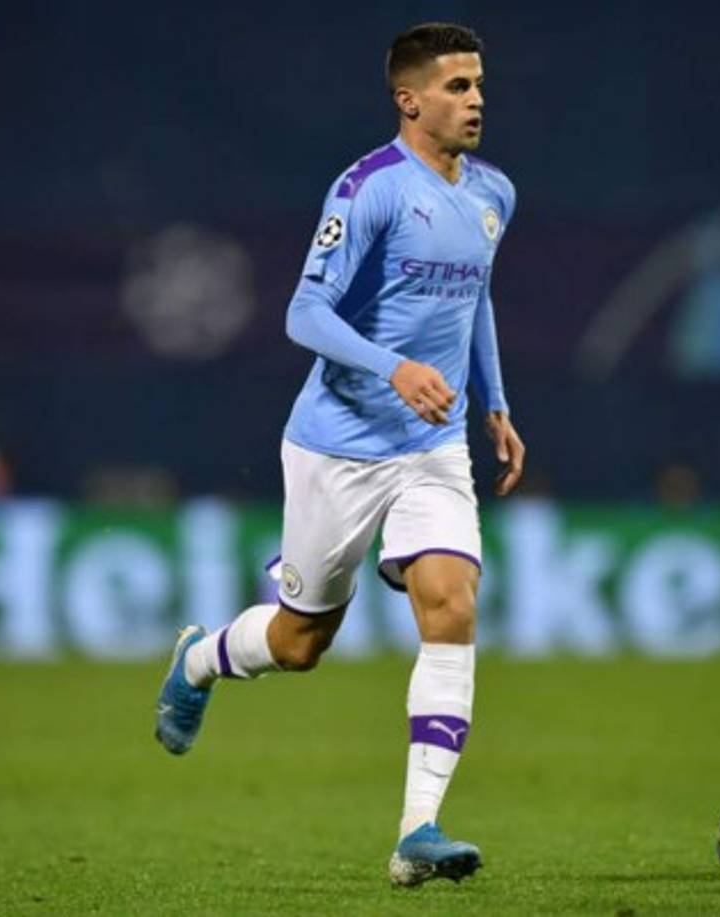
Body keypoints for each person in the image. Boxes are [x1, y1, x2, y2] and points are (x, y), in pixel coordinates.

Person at [153, 22, 525, 888]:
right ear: (410, 99)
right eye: (458, 86)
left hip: (433, 443)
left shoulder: (494, 192)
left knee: (451, 599)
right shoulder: (369, 191)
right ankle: (201, 658)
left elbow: (476, 300)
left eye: (478, 84)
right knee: (300, 641)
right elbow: (304, 315)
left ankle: (418, 831)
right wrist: (392, 366)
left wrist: (496, 402)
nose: (476, 100)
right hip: (338, 445)